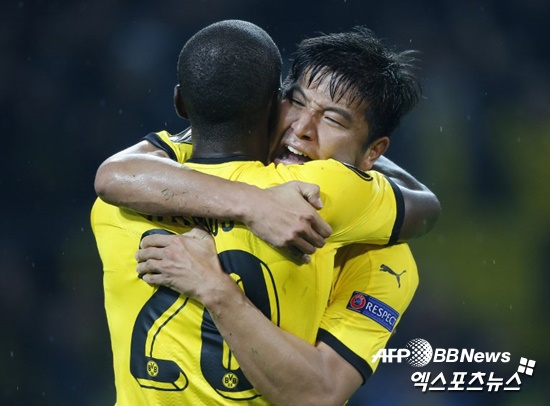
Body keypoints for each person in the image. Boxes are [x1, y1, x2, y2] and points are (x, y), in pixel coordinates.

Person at [92, 22, 439, 406]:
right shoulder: (332, 193)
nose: (302, 128)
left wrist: (216, 288)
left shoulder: (139, 190)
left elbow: (113, 175)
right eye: (297, 102)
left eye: (333, 120)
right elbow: (425, 206)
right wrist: (254, 203)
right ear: (272, 104)